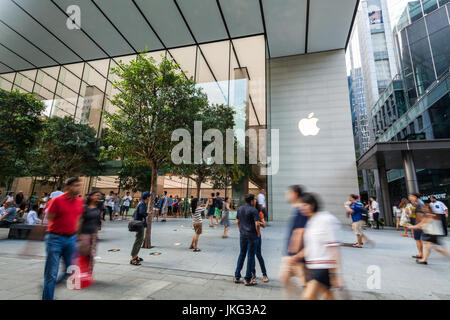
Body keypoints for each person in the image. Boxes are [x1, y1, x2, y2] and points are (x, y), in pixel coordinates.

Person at [42, 177, 84, 300]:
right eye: (76, 185)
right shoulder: (56, 200)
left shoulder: (79, 202)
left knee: (70, 270)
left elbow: (78, 218)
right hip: (55, 238)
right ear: (68, 187)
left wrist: (78, 235)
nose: (78, 187)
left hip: (71, 239)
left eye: (79, 185)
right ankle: (48, 295)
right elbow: (49, 217)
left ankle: (49, 285)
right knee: (51, 273)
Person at [299, 193, 342, 300]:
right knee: (328, 296)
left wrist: (335, 273)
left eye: (304, 205)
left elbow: (333, 247)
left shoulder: (326, 219)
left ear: (312, 205)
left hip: (324, 267)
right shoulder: (310, 222)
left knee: (307, 297)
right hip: (313, 267)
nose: (301, 208)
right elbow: (311, 247)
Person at [279, 185, 308, 299]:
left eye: (288, 193)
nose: (287, 195)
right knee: (284, 278)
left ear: (295, 194)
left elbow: (300, 232)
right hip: (293, 255)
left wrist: (293, 255)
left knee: (306, 284)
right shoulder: (297, 209)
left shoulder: (301, 209)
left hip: (295, 256)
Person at [233, 194, 260, 286]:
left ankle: (237, 276)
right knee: (250, 256)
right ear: (252, 200)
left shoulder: (240, 208)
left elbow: (237, 221)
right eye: (255, 199)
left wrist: (241, 230)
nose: (255, 201)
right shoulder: (254, 210)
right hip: (252, 235)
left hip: (242, 235)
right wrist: (258, 233)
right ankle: (247, 279)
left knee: (242, 254)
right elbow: (257, 224)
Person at [78, 191, 102, 279]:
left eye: (99, 196)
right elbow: (79, 220)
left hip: (93, 234)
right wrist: (78, 235)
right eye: (97, 195)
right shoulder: (84, 207)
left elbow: (97, 222)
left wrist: (96, 235)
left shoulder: (98, 208)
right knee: (83, 254)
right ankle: (80, 272)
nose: (98, 197)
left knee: (92, 255)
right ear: (91, 197)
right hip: (84, 234)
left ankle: (89, 272)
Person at [130, 192, 150, 266]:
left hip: (138, 223)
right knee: (138, 240)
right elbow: (141, 213)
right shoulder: (142, 204)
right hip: (139, 224)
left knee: (139, 240)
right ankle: (133, 258)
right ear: (147, 197)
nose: (150, 198)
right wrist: (147, 214)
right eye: (149, 196)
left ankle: (135, 256)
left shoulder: (140, 203)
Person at [252, 207, 268, 283]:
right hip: (249, 236)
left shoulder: (259, 213)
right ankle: (253, 274)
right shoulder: (248, 211)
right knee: (251, 256)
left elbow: (264, 225)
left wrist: (259, 223)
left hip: (257, 236)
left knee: (258, 255)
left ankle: (264, 274)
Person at [409, 192, 425, 259]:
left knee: (418, 239)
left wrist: (417, 225)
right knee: (418, 239)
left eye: (411, 196)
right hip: (416, 224)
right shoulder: (414, 204)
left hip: (418, 225)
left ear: (415, 197)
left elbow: (420, 215)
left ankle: (421, 254)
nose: (410, 197)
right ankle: (421, 253)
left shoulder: (418, 205)